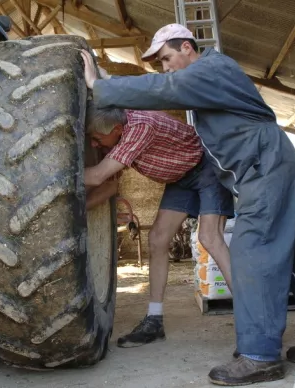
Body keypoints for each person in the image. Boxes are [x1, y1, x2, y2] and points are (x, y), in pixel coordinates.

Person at [79, 24, 295, 386]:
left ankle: (260, 354)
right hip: (261, 166)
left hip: (262, 168)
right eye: (160, 63)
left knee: (253, 250)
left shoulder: (212, 69)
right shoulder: (206, 79)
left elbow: (165, 89)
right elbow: (160, 87)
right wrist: (111, 82)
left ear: (187, 47)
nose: (165, 68)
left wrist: (100, 85)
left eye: (167, 58)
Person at [82, 100, 236, 348]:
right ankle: (154, 321)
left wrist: (56, 178)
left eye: (97, 139)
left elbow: (98, 175)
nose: (93, 144)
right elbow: (109, 186)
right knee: (157, 240)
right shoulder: (118, 132)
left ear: (116, 131)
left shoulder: (141, 126)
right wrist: (78, 210)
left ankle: (252, 319)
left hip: (206, 167)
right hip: (181, 178)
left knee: (210, 238)